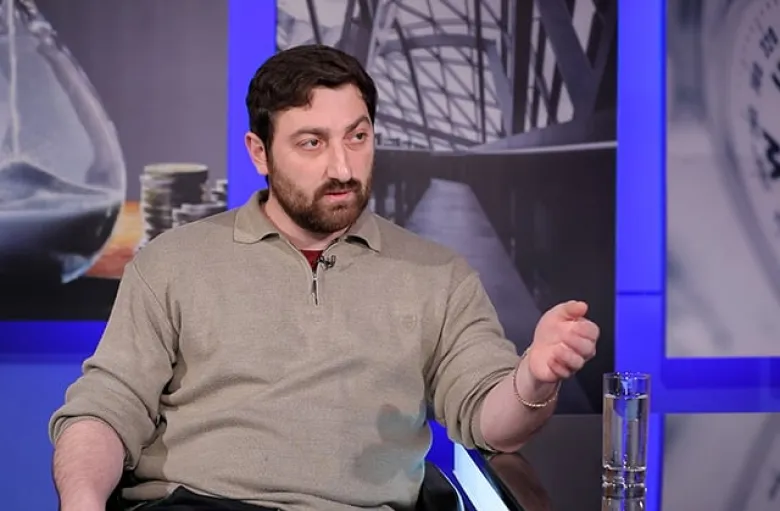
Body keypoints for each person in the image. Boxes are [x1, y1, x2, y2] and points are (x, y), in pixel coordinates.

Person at [49, 44, 600, 511]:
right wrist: (82, 504)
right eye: (312, 143)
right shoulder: (172, 262)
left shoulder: (440, 275)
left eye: (357, 137)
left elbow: (491, 421)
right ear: (259, 153)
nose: (342, 167)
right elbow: (105, 409)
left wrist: (533, 378)